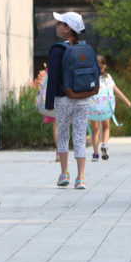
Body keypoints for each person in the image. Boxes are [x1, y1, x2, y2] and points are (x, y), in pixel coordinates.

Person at [45, 11, 98, 190]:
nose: (56, 25)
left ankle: (64, 173)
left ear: (67, 28)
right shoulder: (86, 48)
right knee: (80, 136)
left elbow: (52, 78)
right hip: (83, 98)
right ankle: (81, 178)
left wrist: (49, 103)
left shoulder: (57, 50)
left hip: (62, 98)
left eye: (60, 23)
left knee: (62, 135)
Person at [87, 54, 131, 162]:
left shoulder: (90, 77)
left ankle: (95, 154)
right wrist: (126, 100)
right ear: (104, 66)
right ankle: (104, 144)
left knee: (94, 131)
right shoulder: (108, 78)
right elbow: (116, 91)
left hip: (93, 107)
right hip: (105, 107)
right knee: (106, 127)